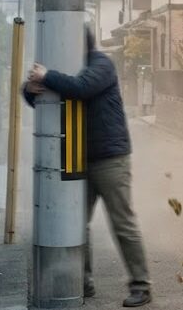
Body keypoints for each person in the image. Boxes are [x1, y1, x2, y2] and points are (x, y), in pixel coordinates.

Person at [23, 27, 151, 308]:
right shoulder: (68, 70)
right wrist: (29, 89)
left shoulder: (100, 64)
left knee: (123, 223)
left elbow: (80, 89)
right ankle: (83, 282)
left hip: (110, 158)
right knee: (76, 224)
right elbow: (45, 96)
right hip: (80, 158)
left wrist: (47, 76)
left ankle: (141, 285)